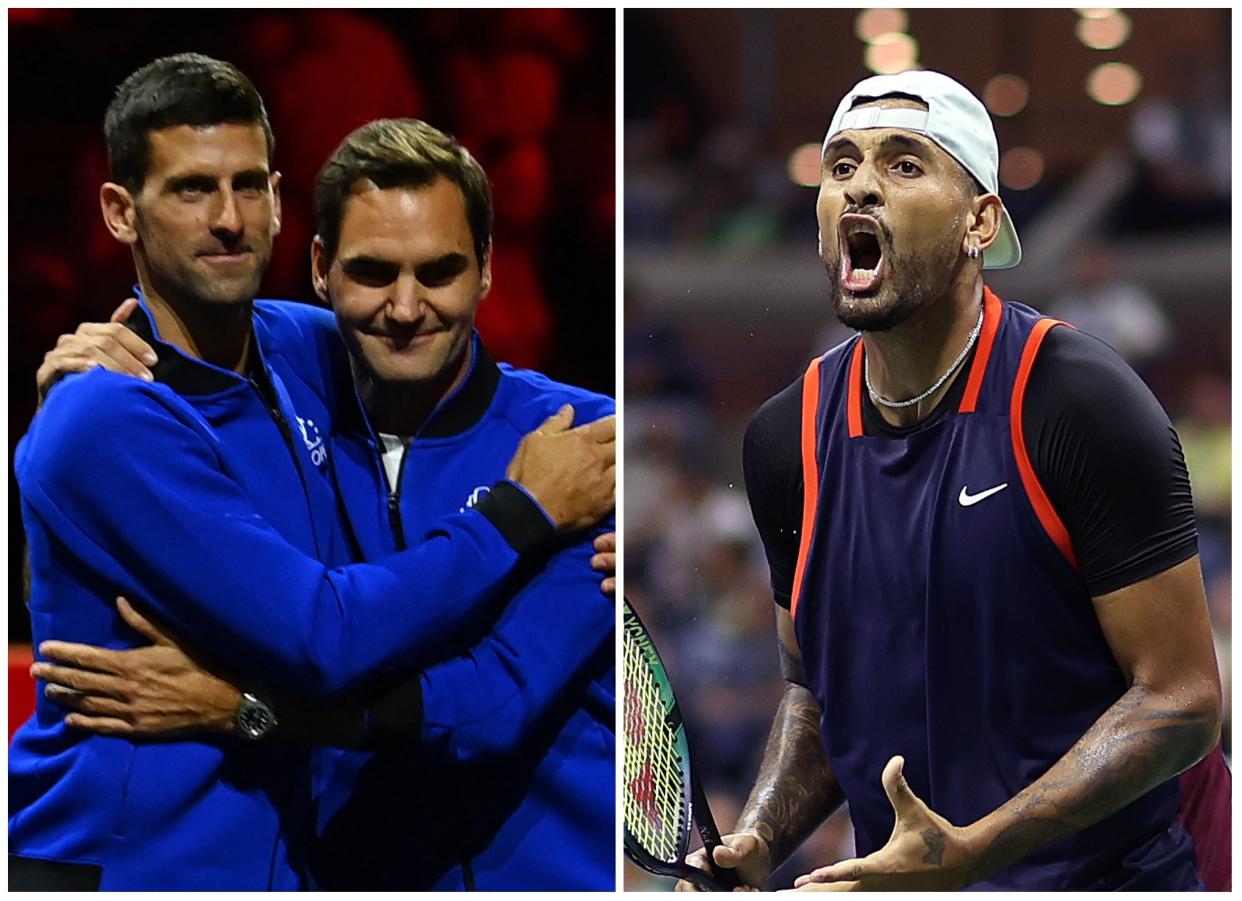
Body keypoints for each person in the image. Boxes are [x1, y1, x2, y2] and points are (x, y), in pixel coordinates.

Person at [11, 54, 615, 891]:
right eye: (191, 189)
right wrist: (522, 510)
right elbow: (325, 637)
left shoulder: (309, 353)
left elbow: (493, 702)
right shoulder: (106, 414)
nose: (403, 309)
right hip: (121, 866)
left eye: (248, 185)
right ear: (121, 211)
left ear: (486, 270)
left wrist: (240, 711)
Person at [678, 70, 1228, 891]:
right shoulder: (783, 439)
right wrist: (763, 833)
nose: (861, 183)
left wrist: (978, 850)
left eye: (904, 165)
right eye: (841, 166)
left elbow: (1181, 700)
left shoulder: (1078, 401)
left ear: (981, 220)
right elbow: (815, 692)